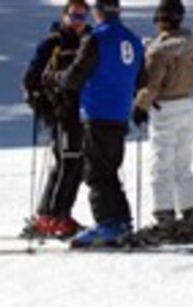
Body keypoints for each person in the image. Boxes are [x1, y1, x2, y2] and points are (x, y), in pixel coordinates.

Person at [50, 0, 145, 247]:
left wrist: (58, 78)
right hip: (120, 113)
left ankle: (107, 224)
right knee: (110, 169)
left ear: (98, 12)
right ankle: (121, 220)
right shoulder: (133, 40)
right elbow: (141, 78)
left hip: (98, 112)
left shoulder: (96, 39)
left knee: (95, 172)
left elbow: (77, 75)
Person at [132, 0, 193, 243]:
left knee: (161, 165)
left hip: (164, 108)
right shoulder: (192, 44)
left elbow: (153, 84)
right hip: (187, 105)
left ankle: (164, 220)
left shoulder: (160, 51)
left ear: (160, 21)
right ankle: (191, 216)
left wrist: (140, 106)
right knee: (182, 164)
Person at [21, 1, 92, 239]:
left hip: (83, 112)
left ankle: (55, 213)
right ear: (64, 17)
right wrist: (42, 105)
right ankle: (52, 216)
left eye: (82, 17)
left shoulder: (89, 41)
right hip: (62, 112)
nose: (78, 22)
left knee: (75, 163)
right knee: (68, 161)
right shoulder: (53, 43)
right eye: (74, 16)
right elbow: (31, 78)